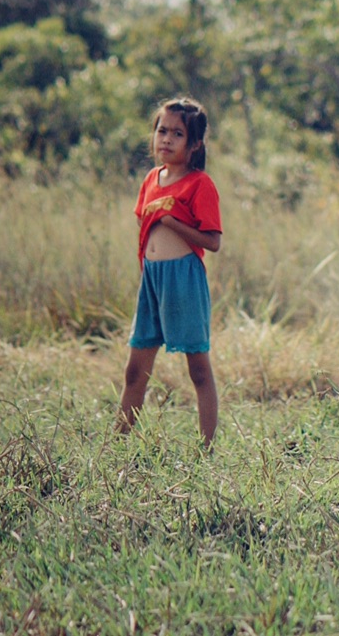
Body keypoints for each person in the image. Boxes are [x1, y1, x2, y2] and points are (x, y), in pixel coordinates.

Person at [117, 97, 223, 446]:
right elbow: (142, 221)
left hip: (184, 280)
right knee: (135, 370)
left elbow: (212, 241)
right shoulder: (151, 179)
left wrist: (171, 222)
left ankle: (205, 450)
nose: (166, 139)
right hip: (153, 280)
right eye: (162, 131)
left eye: (177, 134)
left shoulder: (199, 184)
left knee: (198, 370)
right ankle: (117, 444)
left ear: (194, 145)